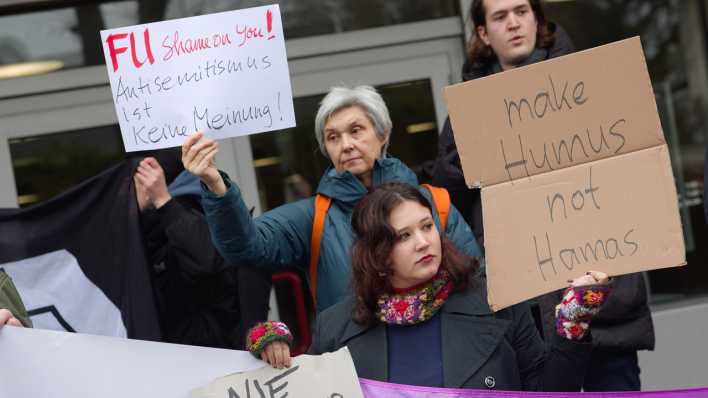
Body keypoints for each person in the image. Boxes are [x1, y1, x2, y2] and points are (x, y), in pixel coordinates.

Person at [433, 0, 654, 390]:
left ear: (538, 19)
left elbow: (632, 165)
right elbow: (448, 203)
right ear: (483, 33)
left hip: (597, 294)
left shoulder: (587, 83)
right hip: (531, 314)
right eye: (500, 17)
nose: (514, 23)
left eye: (521, 11)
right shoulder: (468, 111)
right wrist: (473, 155)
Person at [250, 182, 611, 391]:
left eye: (426, 226)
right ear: (376, 253)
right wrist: (271, 355)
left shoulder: (495, 299)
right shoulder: (336, 327)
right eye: (403, 236)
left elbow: (549, 393)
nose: (424, 242)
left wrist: (571, 325)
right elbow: (304, 392)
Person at [181, 85, 483, 314]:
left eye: (356, 131)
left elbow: (476, 282)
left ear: (383, 134)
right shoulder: (314, 218)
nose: (346, 145)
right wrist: (215, 184)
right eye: (333, 137)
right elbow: (245, 246)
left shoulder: (436, 203)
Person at [134, 155, 271, 349]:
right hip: (192, 356)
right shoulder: (158, 223)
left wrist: (164, 203)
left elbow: (205, 261)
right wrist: (137, 214)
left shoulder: (190, 217)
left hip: (228, 355)